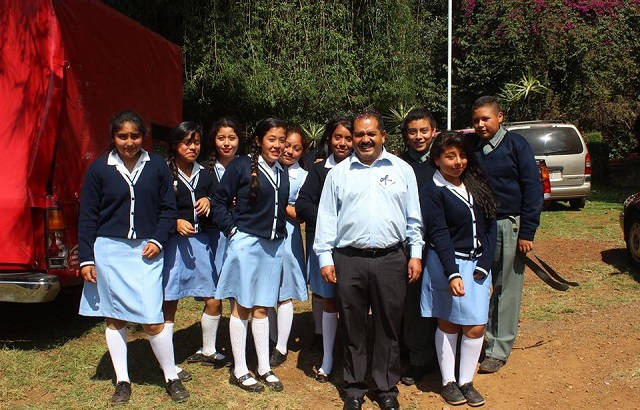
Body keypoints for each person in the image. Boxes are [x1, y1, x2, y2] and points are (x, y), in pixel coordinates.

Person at [314, 109, 424, 410]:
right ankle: (354, 386)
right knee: (353, 325)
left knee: (389, 325)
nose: (365, 139)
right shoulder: (338, 174)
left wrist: (415, 254)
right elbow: (327, 218)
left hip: (391, 258)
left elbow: (414, 218)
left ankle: (386, 387)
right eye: (359, 134)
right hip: (349, 259)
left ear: (383, 136)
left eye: (371, 133)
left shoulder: (402, 170)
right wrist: (325, 258)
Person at [78, 110, 189, 404]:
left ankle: (171, 376)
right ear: (113, 137)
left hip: (146, 251)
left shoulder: (157, 166)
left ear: (143, 137)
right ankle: (122, 380)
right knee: (115, 317)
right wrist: (86, 258)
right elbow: (88, 216)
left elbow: (168, 209)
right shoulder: (99, 168)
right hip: (110, 253)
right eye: (122, 136)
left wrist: (158, 239)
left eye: (135, 136)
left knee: (152, 318)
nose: (129, 142)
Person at [211, 118, 289, 393]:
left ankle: (264, 367)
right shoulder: (241, 166)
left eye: (281, 140)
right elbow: (218, 201)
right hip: (247, 245)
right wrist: (232, 231)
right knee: (242, 305)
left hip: (272, 247)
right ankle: (240, 369)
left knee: (263, 307)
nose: (277, 145)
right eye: (272, 139)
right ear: (258, 140)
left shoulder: (281, 170)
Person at [420, 131, 497, 407]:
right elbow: (439, 233)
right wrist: (452, 273)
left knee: (476, 325)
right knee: (449, 321)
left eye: (462, 155)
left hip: (477, 265)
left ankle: (466, 381)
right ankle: (448, 381)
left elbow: (490, 225)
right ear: (437, 159)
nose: (458, 162)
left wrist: (485, 264)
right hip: (446, 264)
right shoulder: (433, 190)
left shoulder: (475, 183)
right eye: (450, 156)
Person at [470, 96, 543, 373]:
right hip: (478, 226)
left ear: (499, 117)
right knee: (478, 284)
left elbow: (532, 188)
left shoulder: (516, 145)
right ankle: (478, 341)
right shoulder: (472, 147)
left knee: (506, 288)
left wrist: (527, 232)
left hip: (508, 226)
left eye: (485, 119)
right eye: (475, 120)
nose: (480, 124)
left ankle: (498, 349)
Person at [161, 121, 228, 375]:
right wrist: (175, 222)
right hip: (173, 246)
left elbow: (219, 199)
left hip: (200, 243)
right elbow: (155, 207)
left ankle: (208, 349)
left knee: (213, 297)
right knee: (170, 300)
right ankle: (166, 358)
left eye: (196, 142)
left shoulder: (206, 174)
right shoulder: (164, 173)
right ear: (175, 145)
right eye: (187, 142)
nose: (192, 147)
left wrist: (208, 199)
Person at [295, 116, 353, 382]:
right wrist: (330, 220)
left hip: (353, 248)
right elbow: (304, 204)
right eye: (338, 137)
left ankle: (351, 350)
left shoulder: (363, 170)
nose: (343, 143)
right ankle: (326, 352)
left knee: (353, 301)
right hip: (326, 244)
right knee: (327, 297)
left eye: (348, 138)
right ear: (329, 138)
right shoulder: (319, 170)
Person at [185, 117, 240, 366]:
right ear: (213, 140)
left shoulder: (247, 167)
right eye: (221, 138)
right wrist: (207, 198)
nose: (226, 143)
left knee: (238, 293)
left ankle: (241, 348)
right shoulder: (205, 171)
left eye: (231, 138)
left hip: (241, 236)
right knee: (213, 292)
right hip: (214, 237)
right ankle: (208, 349)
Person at [398, 107, 439, 386]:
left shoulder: (442, 160)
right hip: (407, 243)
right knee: (410, 302)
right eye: (412, 132)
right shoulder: (397, 164)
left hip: (438, 241)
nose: (419, 136)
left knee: (434, 299)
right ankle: (413, 355)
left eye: (424, 130)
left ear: (433, 131)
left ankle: (431, 355)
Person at [267, 125, 310, 367]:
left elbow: (300, 214)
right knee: (265, 290)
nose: (290, 151)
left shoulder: (303, 177)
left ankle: (281, 346)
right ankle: (271, 338)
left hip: (287, 237)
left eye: (297, 148)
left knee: (284, 292)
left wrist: (276, 204)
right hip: (263, 234)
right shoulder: (265, 169)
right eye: (287, 145)